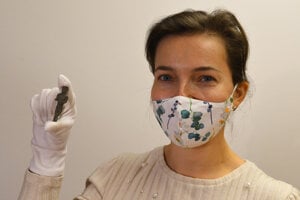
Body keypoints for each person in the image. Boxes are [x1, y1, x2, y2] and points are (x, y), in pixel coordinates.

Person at [18, 9, 300, 200]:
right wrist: (46, 164)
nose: (181, 95)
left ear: (237, 94)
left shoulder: (274, 196)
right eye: (166, 76)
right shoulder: (116, 177)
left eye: (204, 78)